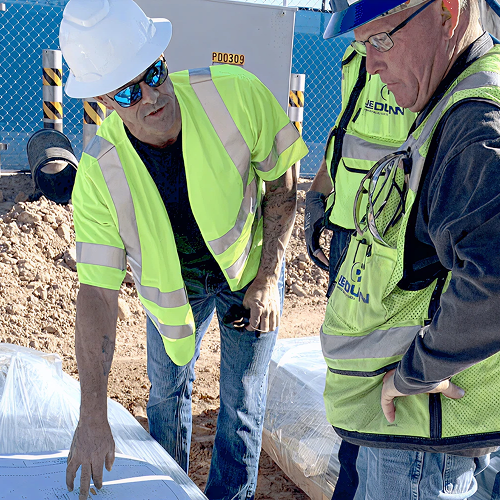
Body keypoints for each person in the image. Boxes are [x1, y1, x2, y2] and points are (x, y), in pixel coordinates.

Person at [58, 1, 308, 499]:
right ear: (105, 102)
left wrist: (266, 279)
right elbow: (99, 295)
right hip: (173, 290)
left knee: (241, 405)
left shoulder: (235, 96)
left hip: (248, 269)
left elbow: (283, 182)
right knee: (167, 398)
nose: (150, 95)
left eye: (153, 72)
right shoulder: (99, 174)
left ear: (163, 57)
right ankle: (166, 490)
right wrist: (92, 415)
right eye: (128, 91)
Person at [320, 0, 500, 498]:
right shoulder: (453, 98)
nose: (372, 66)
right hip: (435, 433)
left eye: (382, 40)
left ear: (448, 12)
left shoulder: (475, 125)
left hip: (424, 438)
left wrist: (415, 373)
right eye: (362, 46)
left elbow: (495, 278)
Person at [305, 44, 416, 499]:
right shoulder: (361, 48)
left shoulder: (419, 44)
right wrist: (321, 191)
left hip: (392, 251)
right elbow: (348, 132)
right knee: (351, 375)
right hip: (352, 238)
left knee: (378, 386)